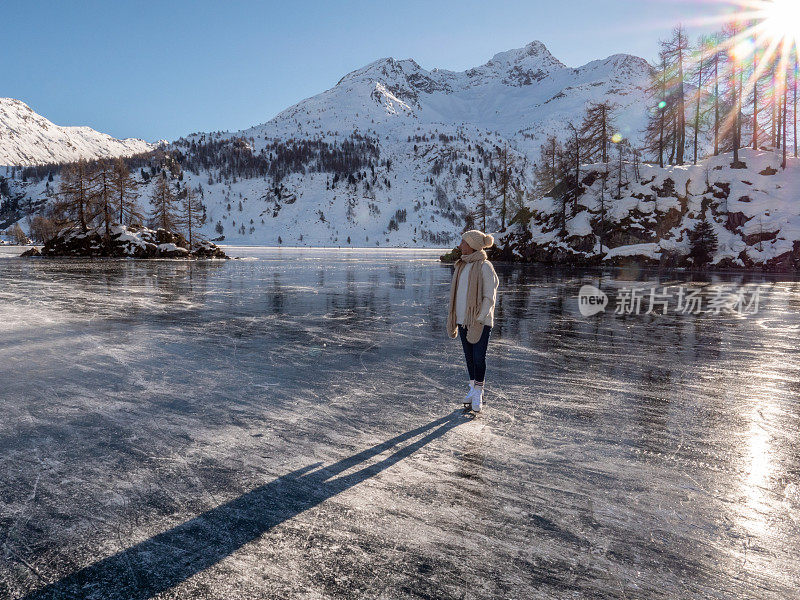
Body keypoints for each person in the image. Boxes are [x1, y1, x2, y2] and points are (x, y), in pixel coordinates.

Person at [446, 230, 499, 412]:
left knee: (478, 357)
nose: (460, 245)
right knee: (469, 358)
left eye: (463, 242)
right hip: (462, 320)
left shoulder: (485, 267)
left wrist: (479, 318)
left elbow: (489, 297)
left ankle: (479, 392)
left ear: (472, 245)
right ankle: (472, 388)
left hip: (480, 321)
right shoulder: (461, 266)